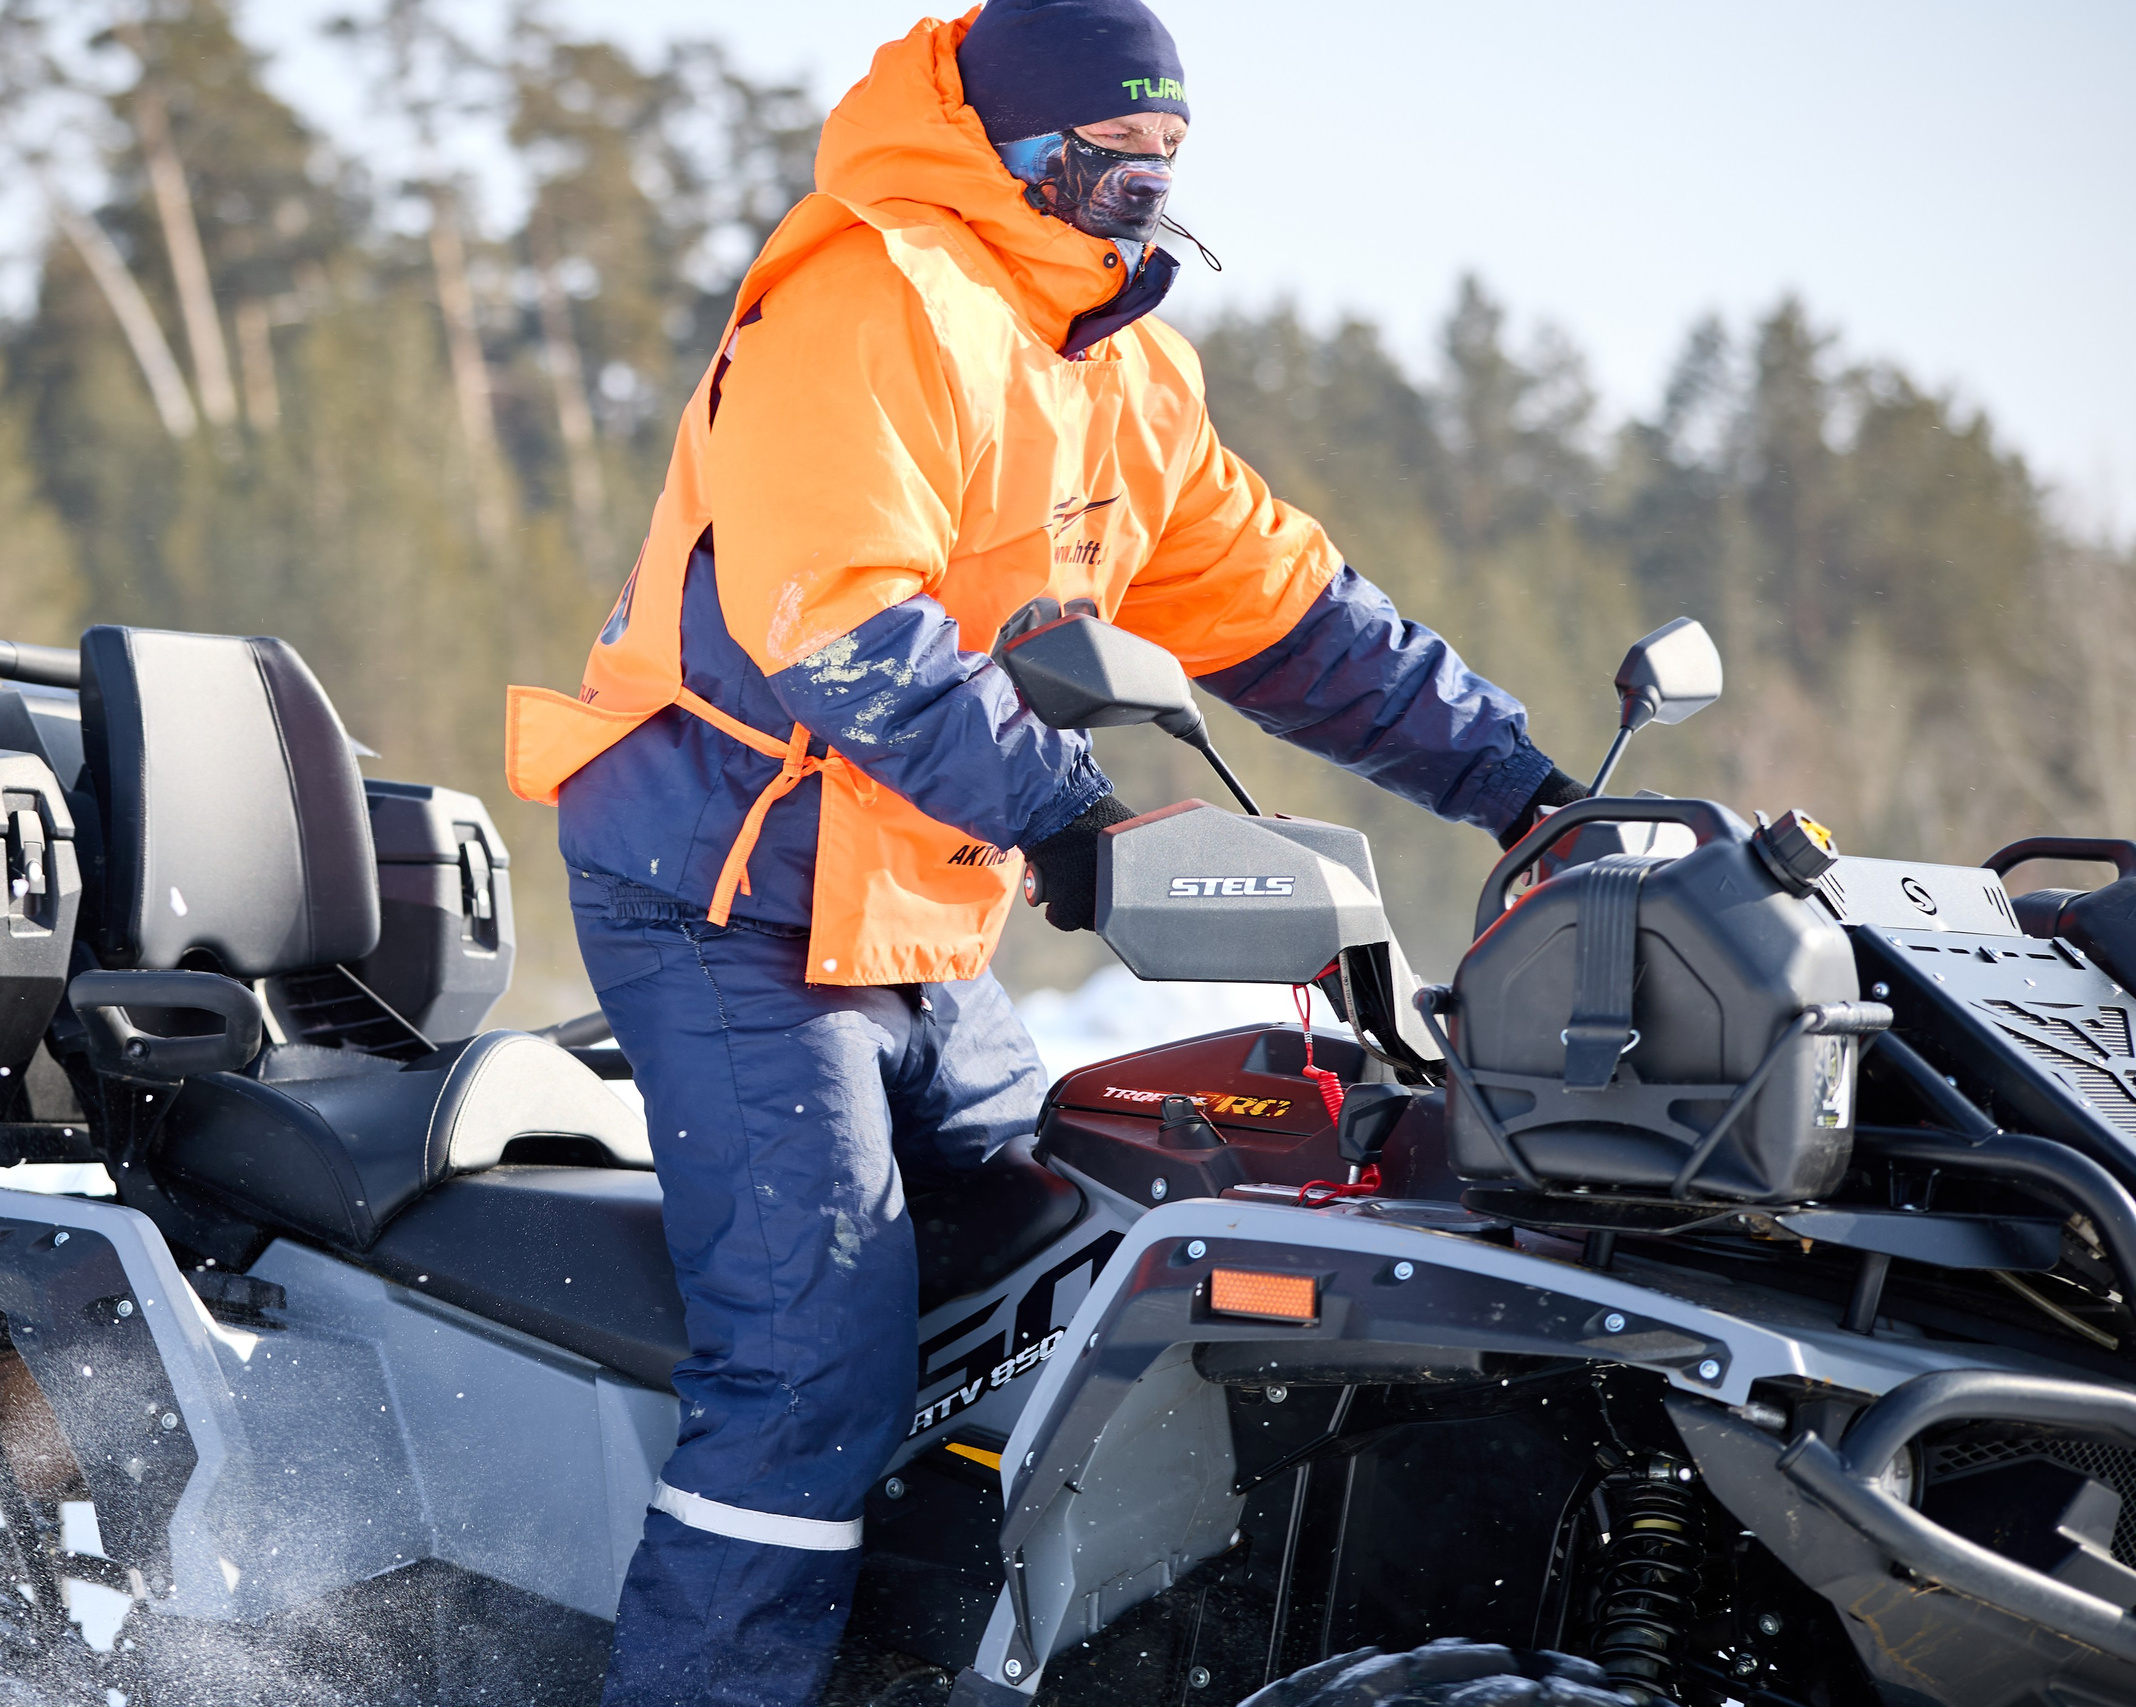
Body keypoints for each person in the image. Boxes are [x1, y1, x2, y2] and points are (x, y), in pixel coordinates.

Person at [505, 3, 1586, 1700]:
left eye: (1165, 158)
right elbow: (842, 627)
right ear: (1007, 142)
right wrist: (1074, 820)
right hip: (728, 897)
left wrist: (1527, 793)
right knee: (811, 1368)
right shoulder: (875, 301)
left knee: (1059, 1287)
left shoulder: (1115, 365)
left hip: (912, 916)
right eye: (1106, 155)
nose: (1141, 186)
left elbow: (1292, 615)